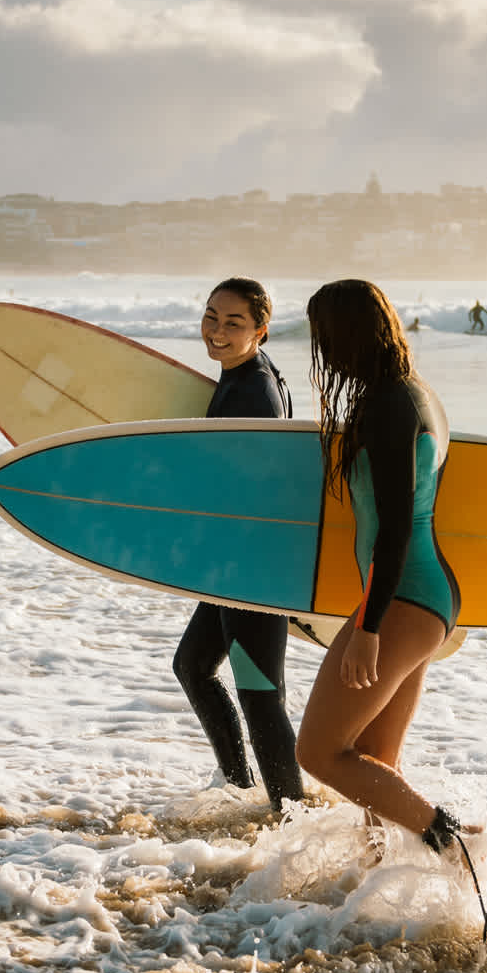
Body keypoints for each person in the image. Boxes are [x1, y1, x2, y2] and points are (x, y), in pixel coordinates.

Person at [294, 278, 465, 853]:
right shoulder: (415, 394)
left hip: (405, 597)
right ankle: (379, 880)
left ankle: (455, 841)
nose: (321, 350)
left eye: (323, 335)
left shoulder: (394, 406)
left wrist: (368, 628)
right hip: (421, 594)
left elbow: (393, 528)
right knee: (373, 763)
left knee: (318, 752)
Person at [172, 277, 305, 809]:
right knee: (194, 666)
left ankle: (290, 816)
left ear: (261, 331)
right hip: (236, 564)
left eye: (233, 323)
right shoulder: (247, 376)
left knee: (259, 693)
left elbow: (258, 486)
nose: (217, 332)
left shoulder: (253, 391)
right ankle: (238, 787)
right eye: (211, 317)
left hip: (253, 568)